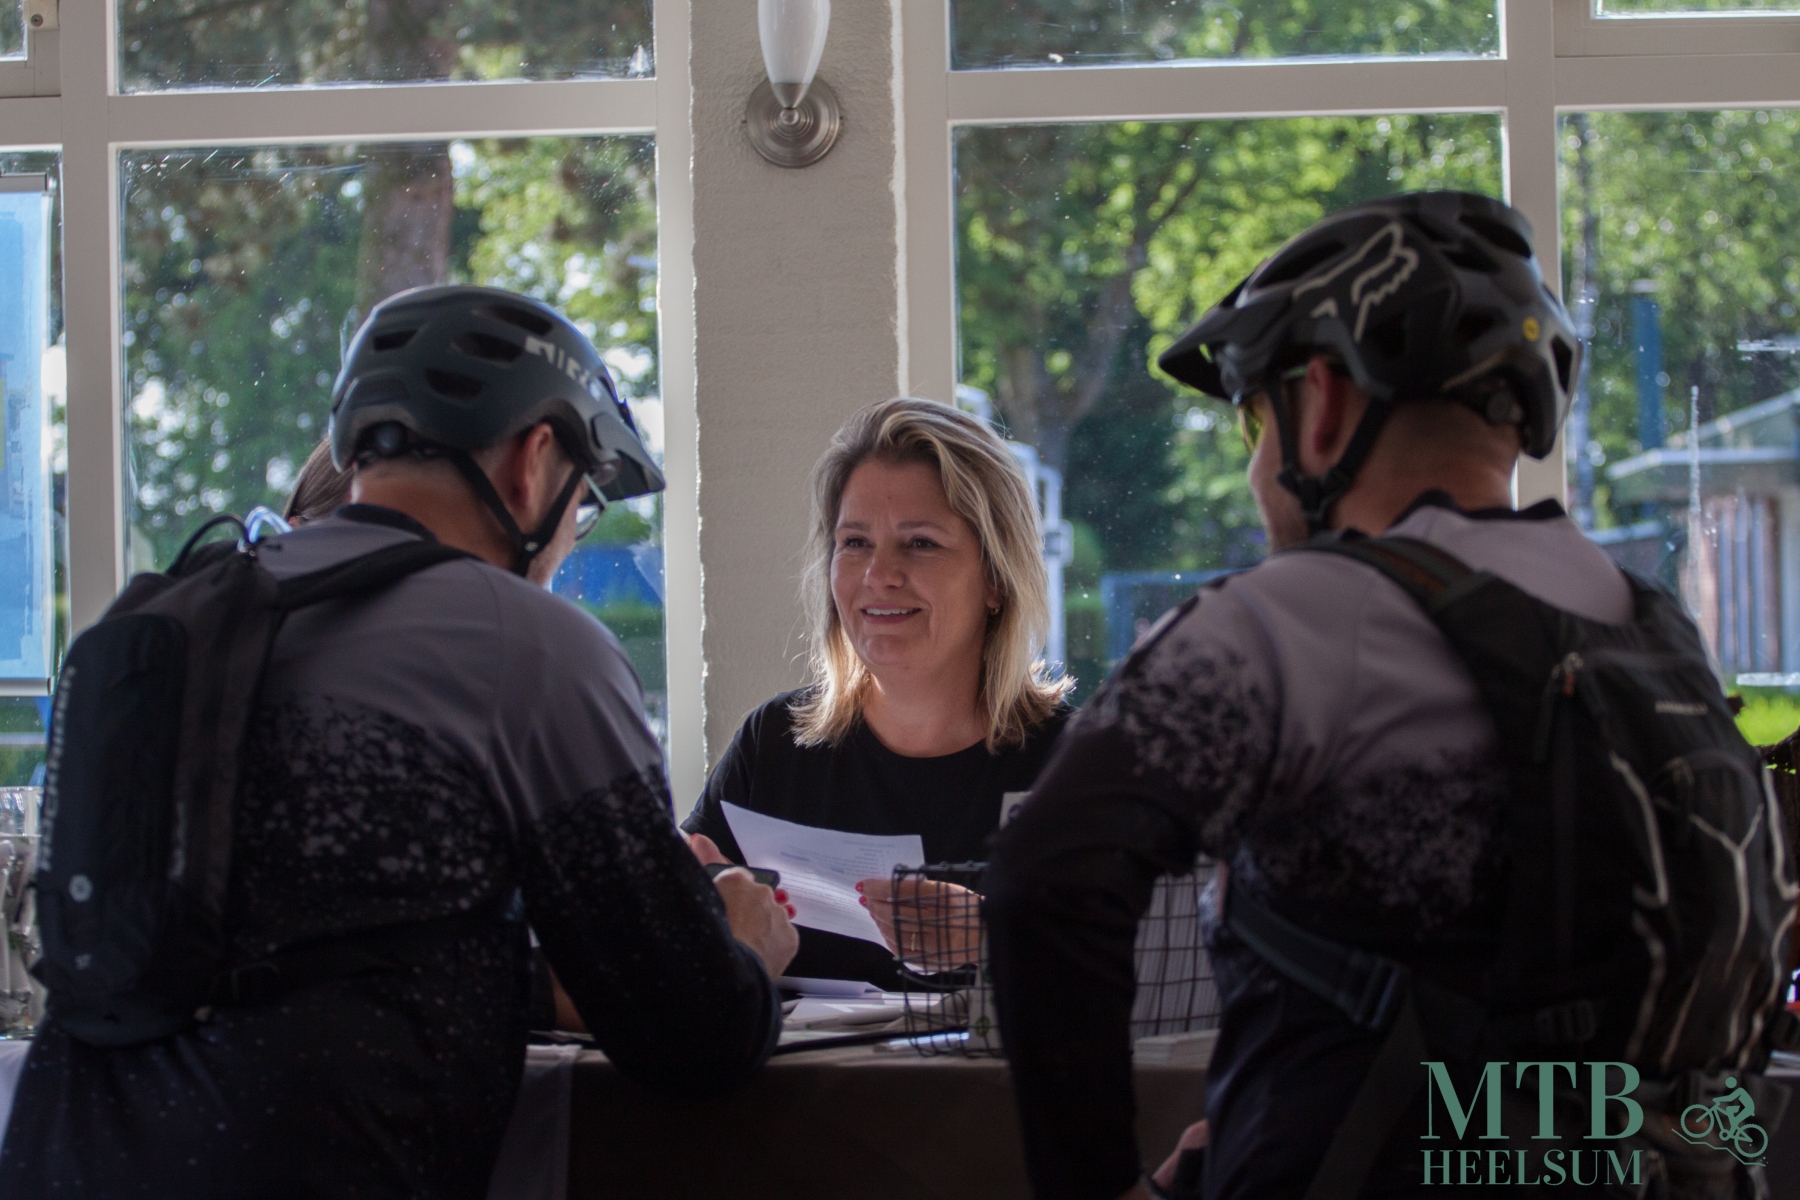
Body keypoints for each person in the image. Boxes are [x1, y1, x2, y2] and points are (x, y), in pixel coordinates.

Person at [983, 191, 1786, 1199]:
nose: (1258, 466)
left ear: (1320, 401)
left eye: (1254, 421)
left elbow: (1044, 879)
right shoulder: (1649, 624)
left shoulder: (1289, 619)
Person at [1, 285, 798, 1198]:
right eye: (581, 507)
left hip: (60, 1152)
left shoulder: (182, 611)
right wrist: (743, 950)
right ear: (535, 461)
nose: (568, 546)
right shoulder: (528, 644)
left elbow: (322, 934)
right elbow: (689, 1035)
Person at [682, 397, 1072, 988]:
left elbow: (1155, 973)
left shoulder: (1075, 764)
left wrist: (996, 935)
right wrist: (692, 910)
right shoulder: (773, 747)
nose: (878, 575)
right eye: (855, 542)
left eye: (920, 543)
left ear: (996, 578)